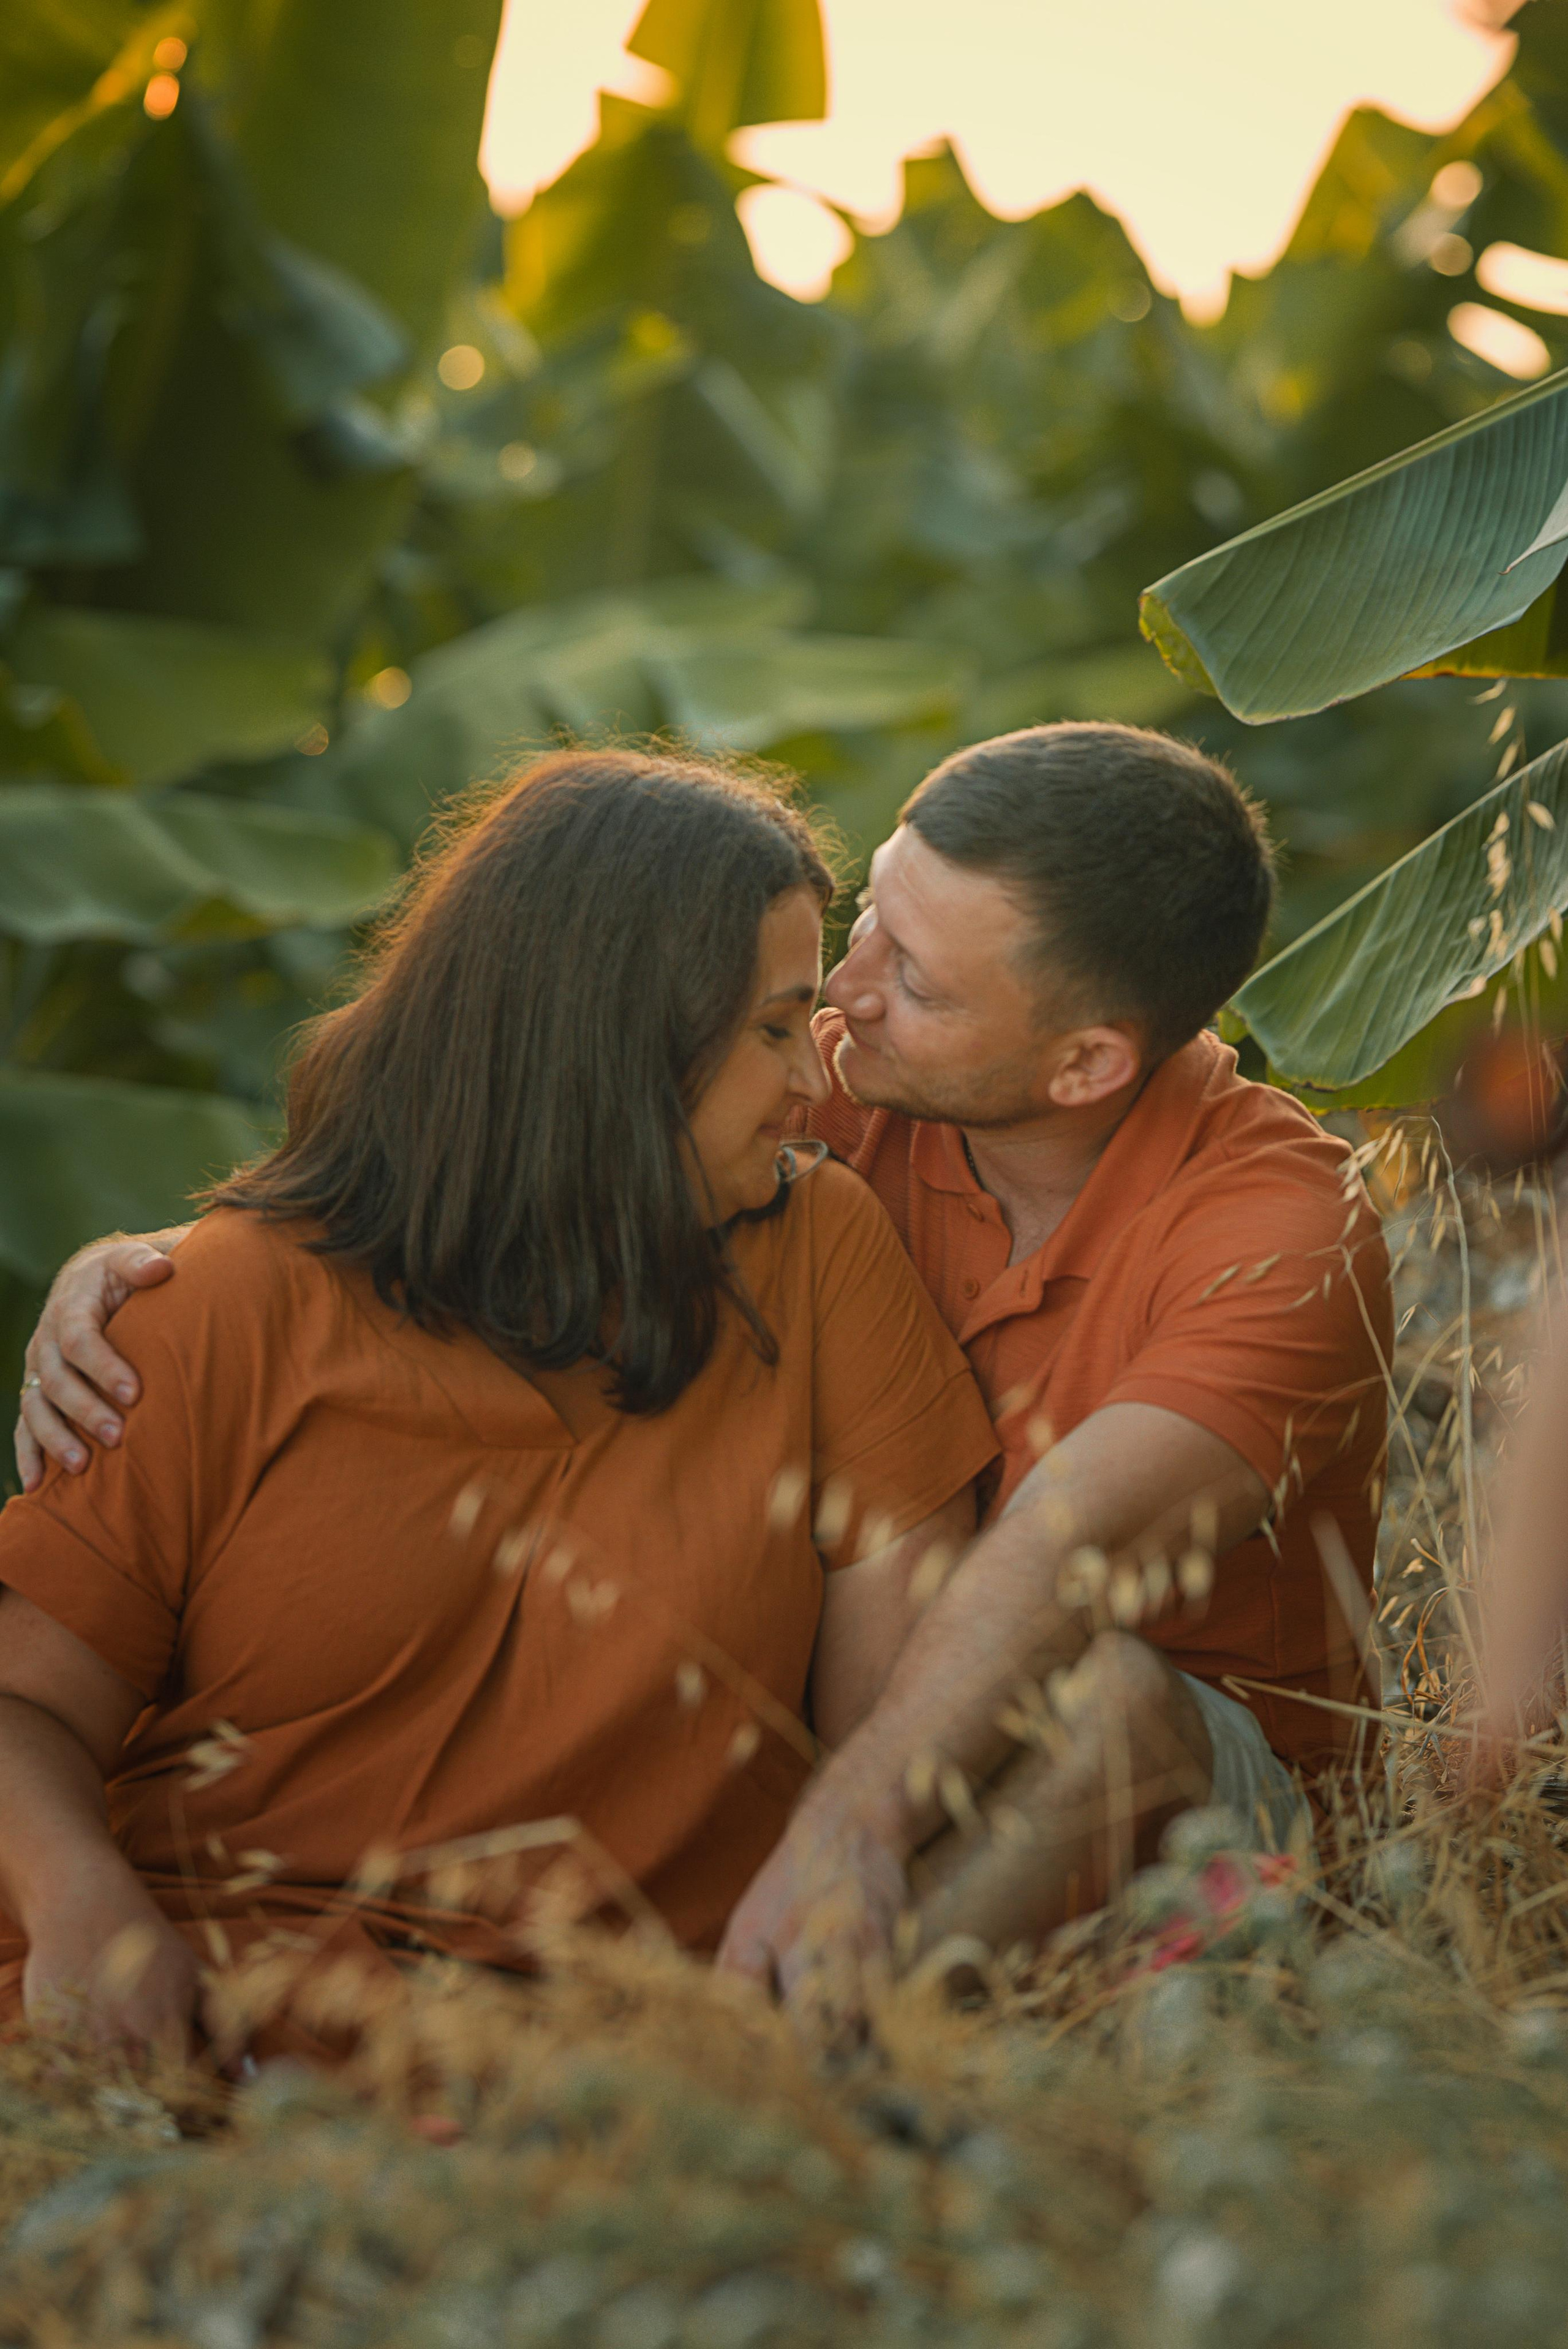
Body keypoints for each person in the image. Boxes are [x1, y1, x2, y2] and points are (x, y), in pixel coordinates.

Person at [15, 724, 1393, 2008]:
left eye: (906, 980)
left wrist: (842, 1835)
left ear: (1082, 1064)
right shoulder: (860, 1080)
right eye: (865, 932)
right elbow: (544, 1096)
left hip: (1157, 1773)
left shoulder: (1276, 1229)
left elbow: (1059, 1553)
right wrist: (172, 1271)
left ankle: (818, 2078)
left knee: (1110, 1703)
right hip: (860, 1728)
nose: (842, 1012)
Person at [0, 749, 1000, 2055]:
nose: (809, 1081)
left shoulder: (818, 1253)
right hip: (197, 2015)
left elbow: (881, 1748)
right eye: (770, 1029)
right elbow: (27, 1709)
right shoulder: (220, 1305)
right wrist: (86, 1911)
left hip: (620, 2070)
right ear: (602, 1040)